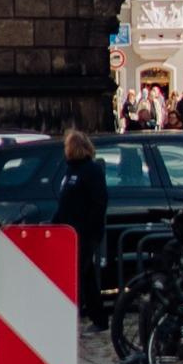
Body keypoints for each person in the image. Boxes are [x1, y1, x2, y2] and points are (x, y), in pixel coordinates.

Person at [57, 127, 108, 312]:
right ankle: (97, 315)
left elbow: (98, 202)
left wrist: (89, 230)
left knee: (80, 273)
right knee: (85, 275)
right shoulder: (70, 169)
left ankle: (79, 311)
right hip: (70, 231)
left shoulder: (91, 170)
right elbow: (65, 202)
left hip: (85, 232)